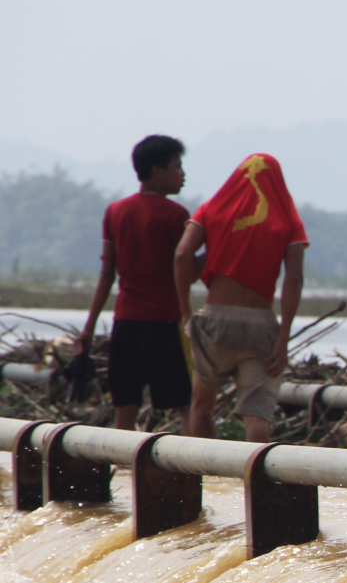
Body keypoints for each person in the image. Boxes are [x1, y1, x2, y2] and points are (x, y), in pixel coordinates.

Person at [176, 153, 308, 442]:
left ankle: (208, 482)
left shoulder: (211, 210)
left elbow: (183, 254)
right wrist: (283, 336)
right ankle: (251, 486)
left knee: (201, 404)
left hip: (216, 320)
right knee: (257, 416)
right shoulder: (288, 218)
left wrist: (185, 309)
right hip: (260, 325)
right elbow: (294, 277)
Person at [78, 135, 193, 429]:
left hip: (126, 321)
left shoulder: (115, 212)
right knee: (185, 404)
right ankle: (196, 472)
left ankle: (123, 470)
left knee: (126, 406)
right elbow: (188, 269)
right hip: (166, 322)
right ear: (157, 171)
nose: (183, 174)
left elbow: (107, 274)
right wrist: (218, 251)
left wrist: (89, 328)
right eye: (177, 167)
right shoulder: (176, 215)